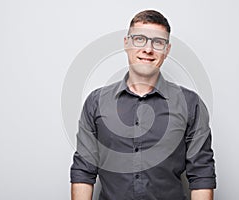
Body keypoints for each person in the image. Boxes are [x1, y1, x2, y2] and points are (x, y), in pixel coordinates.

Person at [70, 10, 216, 200]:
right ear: (126, 43)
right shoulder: (96, 102)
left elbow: (202, 176)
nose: (148, 49)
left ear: (167, 50)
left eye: (158, 42)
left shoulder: (190, 104)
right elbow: (83, 172)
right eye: (140, 39)